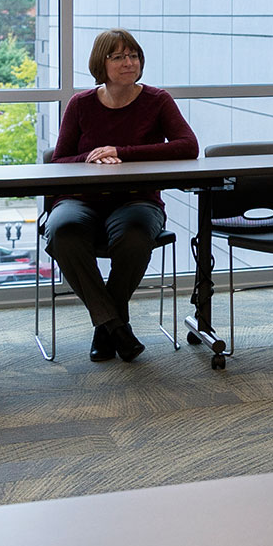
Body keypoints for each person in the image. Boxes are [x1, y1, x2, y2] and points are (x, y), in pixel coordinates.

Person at [46, 29, 198, 362]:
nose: (129, 62)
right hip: (80, 200)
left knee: (134, 236)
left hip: (137, 200)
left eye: (134, 55)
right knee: (62, 232)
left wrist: (122, 152)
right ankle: (117, 326)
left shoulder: (157, 100)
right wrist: (92, 157)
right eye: (118, 56)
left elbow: (187, 146)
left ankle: (105, 328)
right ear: (101, 63)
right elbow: (59, 160)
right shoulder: (81, 104)